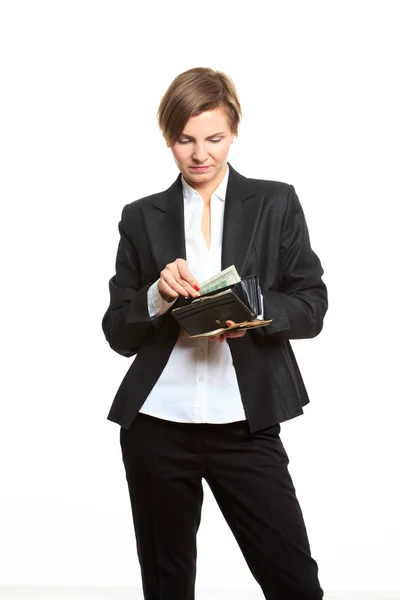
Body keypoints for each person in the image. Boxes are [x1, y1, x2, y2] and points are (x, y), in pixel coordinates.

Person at [102, 67, 328, 600]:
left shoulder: (275, 202)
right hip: (157, 426)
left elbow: (312, 305)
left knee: (294, 582)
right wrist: (157, 295)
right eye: (184, 140)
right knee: (167, 587)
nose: (200, 154)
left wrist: (251, 310)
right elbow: (117, 332)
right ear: (168, 138)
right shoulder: (141, 217)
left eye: (214, 139)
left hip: (245, 425)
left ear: (234, 131)